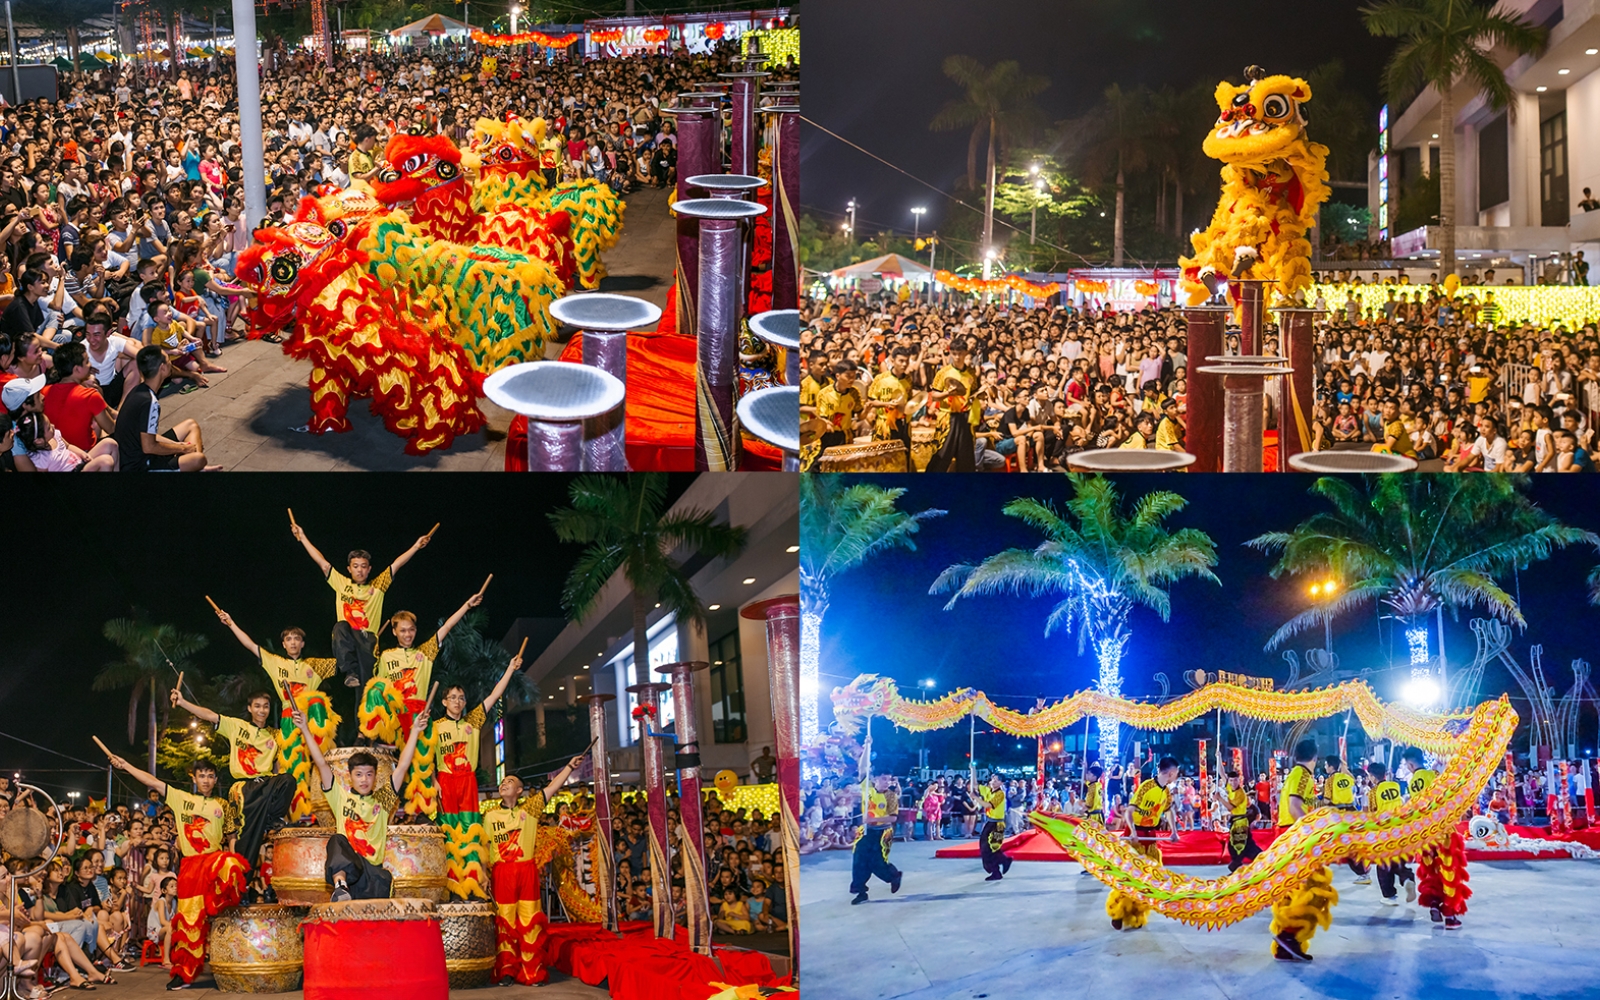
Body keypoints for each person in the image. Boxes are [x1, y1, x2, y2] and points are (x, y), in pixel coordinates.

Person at [98, 750, 248, 991]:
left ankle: (225, 919)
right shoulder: (180, 798)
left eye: (211, 776)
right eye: (202, 776)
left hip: (214, 861)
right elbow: (151, 781)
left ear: (216, 780)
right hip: (190, 867)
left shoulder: (223, 805)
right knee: (188, 923)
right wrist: (125, 764)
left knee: (232, 865)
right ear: (194, 779)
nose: (207, 780)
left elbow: (232, 838)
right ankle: (184, 972)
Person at [359, 587, 484, 819]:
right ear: (394, 632)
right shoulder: (386, 656)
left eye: (411, 630)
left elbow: (446, 628)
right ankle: (370, 736)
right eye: (403, 630)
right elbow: (378, 686)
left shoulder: (424, 653)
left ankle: (423, 812)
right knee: (375, 688)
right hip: (396, 712)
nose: (408, 634)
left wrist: (467, 605)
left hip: (419, 714)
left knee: (423, 762)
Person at [212, 603, 341, 823]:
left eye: (296, 639)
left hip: (310, 718)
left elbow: (344, 662)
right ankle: (296, 815)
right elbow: (250, 645)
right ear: (283, 644)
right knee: (292, 766)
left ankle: (328, 800)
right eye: (288, 639)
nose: (293, 642)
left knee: (319, 704)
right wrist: (231, 623)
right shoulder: (276, 662)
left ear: (302, 643)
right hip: (290, 719)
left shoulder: (315, 666)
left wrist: (363, 642)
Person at [291, 699, 427, 902]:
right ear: (350, 777)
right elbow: (320, 762)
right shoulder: (340, 797)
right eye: (359, 774)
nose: (364, 779)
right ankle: (340, 887)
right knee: (337, 840)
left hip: (373, 876)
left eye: (369, 774)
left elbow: (403, 766)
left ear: (374, 777)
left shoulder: (383, 799)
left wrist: (415, 731)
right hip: (350, 875)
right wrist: (304, 728)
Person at [168, 683, 296, 875]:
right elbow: (209, 715)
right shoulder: (236, 726)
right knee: (247, 842)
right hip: (245, 788)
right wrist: (183, 702)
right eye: (258, 706)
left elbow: (278, 766)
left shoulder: (275, 735)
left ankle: (273, 819)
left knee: (288, 780)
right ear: (250, 708)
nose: (262, 710)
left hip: (266, 784)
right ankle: (240, 884)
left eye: (266, 706)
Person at [481, 758, 583, 987]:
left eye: (510, 781)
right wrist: (483, 873)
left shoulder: (531, 809)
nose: (504, 783)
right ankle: (506, 970)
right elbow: (485, 849)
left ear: (519, 790)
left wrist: (569, 768)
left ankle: (532, 971)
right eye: (503, 781)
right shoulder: (490, 817)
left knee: (529, 921)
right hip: (502, 873)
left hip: (526, 871)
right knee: (504, 922)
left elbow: (552, 787)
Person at [294, 520, 433, 688]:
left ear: (369, 569)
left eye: (363, 566)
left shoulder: (377, 586)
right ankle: (350, 671)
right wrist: (302, 538)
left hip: (368, 642)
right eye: (356, 566)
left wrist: (416, 546)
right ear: (349, 569)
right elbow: (322, 562)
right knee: (340, 627)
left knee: (365, 692)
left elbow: (396, 565)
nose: (359, 570)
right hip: (348, 640)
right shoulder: (341, 583)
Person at [434, 656, 526, 900]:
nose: (457, 701)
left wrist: (509, 669)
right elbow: (423, 760)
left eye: (461, 698)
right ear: (444, 701)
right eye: (452, 697)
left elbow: (496, 694)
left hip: (467, 782)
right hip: (445, 781)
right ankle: (451, 888)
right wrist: (434, 782)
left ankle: (473, 885)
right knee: (449, 833)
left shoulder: (473, 721)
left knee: (471, 831)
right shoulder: (434, 727)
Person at [110, 345, 216, 472]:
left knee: (190, 425)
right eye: (168, 360)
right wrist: (182, 449)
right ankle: (195, 467)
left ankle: (193, 467)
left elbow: (146, 436)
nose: (171, 363)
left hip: (139, 452)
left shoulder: (138, 391)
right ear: (163, 368)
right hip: (140, 465)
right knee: (199, 459)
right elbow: (149, 447)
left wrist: (179, 445)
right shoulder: (149, 402)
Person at [1107, 756, 1179, 931]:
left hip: (1150, 836)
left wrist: (1174, 831)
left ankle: (1137, 914)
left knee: (1149, 877)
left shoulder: (1166, 792)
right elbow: (1129, 812)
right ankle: (1118, 912)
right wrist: (1132, 832)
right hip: (1136, 835)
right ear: (1170, 773)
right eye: (1176, 772)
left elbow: (1169, 812)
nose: (1176, 775)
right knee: (1131, 875)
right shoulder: (1146, 786)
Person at [1403, 746, 1467, 929]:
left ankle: (1433, 904)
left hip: (1425, 832)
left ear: (1410, 764)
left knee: (1430, 871)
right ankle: (1450, 915)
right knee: (1449, 870)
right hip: (1442, 830)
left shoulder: (1412, 782)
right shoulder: (1434, 776)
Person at [848, 737, 902, 905]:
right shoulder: (867, 787)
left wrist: (874, 819)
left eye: (889, 779)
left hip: (883, 831)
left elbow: (893, 817)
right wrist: (867, 747)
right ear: (876, 778)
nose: (888, 782)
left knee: (876, 861)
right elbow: (862, 766)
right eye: (884, 779)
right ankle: (860, 891)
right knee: (859, 859)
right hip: (865, 830)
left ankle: (893, 875)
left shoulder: (891, 796)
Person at [1368, 761, 1416, 907]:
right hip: (1398, 829)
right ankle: (1407, 879)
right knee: (1397, 860)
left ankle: (1389, 895)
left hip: (1384, 831)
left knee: (1383, 864)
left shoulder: (1373, 793)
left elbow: (1372, 814)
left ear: (1373, 777)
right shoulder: (1395, 786)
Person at [1323, 756, 1371, 883]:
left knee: (1345, 846)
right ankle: (1364, 864)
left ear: (1331, 766)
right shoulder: (1348, 778)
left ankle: (1363, 872)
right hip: (1352, 812)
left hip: (1339, 815)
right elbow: (1352, 779)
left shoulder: (1329, 781)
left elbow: (1327, 800)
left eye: (1326, 765)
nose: (1325, 767)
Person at [973, 771, 1012, 881]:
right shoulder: (988, 790)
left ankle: (996, 870)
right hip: (990, 822)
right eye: (992, 779)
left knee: (991, 847)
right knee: (986, 847)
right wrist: (973, 770)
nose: (993, 782)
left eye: (996, 780)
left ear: (1001, 783)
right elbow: (975, 785)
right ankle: (1003, 861)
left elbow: (988, 805)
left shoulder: (1000, 794)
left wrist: (975, 798)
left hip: (997, 823)